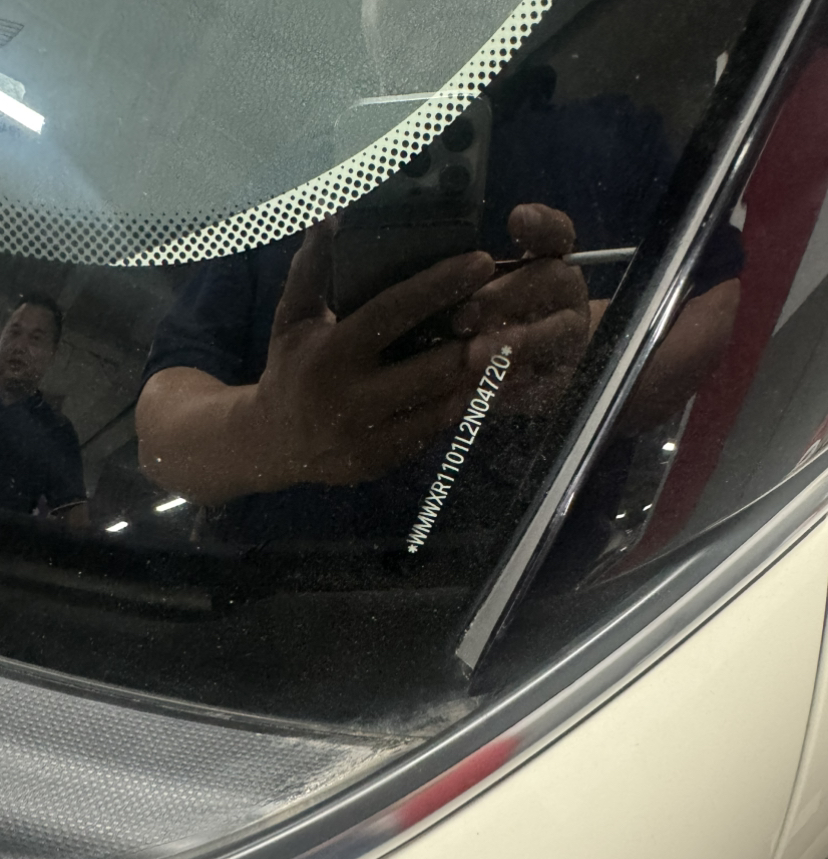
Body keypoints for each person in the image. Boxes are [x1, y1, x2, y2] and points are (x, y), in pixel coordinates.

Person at [136, 66, 741, 549]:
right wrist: (274, 430)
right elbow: (161, 425)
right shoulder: (288, 187)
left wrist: (585, 356)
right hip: (279, 616)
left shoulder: (611, 134)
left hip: (545, 608)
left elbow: (715, 304)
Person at [0, 294, 86, 523]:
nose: (19, 347)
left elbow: (75, 521)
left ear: (52, 354)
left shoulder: (56, 431)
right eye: (14, 333)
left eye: (35, 339)